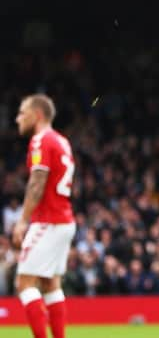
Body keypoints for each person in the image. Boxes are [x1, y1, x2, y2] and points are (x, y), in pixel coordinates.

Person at [13, 94, 76, 338]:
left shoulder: (40, 140)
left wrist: (22, 221)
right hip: (64, 220)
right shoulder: (62, 141)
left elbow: (37, 183)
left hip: (48, 221)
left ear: (37, 115)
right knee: (51, 284)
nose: (18, 118)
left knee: (24, 284)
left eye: (22, 113)